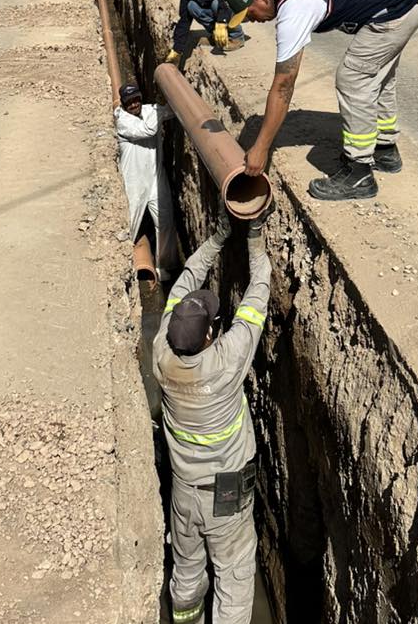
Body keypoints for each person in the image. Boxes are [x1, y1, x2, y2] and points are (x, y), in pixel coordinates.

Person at [221, 0, 418, 202]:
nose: (252, 21)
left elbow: (284, 84)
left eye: (249, 14)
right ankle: (385, 149)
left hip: (403, 1)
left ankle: (359, 173)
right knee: (377, 71)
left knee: (353, 77)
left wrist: (261, 147)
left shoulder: (295, 7)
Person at [153, 196, 272, 624]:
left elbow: (184, 281)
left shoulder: (161, 352)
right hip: (226, 495)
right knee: (234, 578)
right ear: (208, 337)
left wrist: (218, 236)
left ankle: (184, 617)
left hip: (184, 493)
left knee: (186, 571)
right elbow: (258, 294)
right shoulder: (226, 362)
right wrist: (252, 237)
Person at [114, 81, 179, 279]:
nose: (134, 104)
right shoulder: (123, 120)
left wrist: (173, 94)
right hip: (134, 182)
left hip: (156, 176)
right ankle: (124, 266)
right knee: (131, 223)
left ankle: (164, 264)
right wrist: (158, 110)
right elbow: (148, 130)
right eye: (129, 102)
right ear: (123, 104)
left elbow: (173, 111)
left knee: (165, 220)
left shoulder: (150, 111)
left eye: (136, 100)